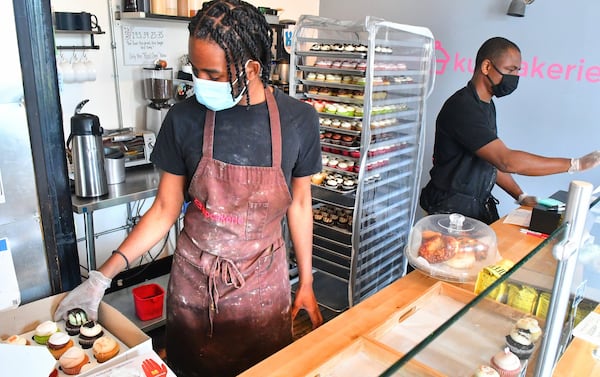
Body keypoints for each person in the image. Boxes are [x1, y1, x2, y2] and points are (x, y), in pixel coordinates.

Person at [54, 1, 323, 376]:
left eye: (211, 73)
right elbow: (165, 209)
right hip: (195, 286)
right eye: (195, 70)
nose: (200, 82)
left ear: (252, 68)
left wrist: (306, 281)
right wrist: (101, 277)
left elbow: (300, 205)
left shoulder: (299, 120)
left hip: (263, 287)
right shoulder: (185, 118)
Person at [420, 36, 600, 224]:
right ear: (486, 67)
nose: (514, 77)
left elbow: (490, 162)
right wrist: (575, 164)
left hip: (471, 206)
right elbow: (506, 160)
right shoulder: (463, 107)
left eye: (517, 71)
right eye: (510, 70)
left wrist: (520, 195)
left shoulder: (486, 106)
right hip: (448, 211)